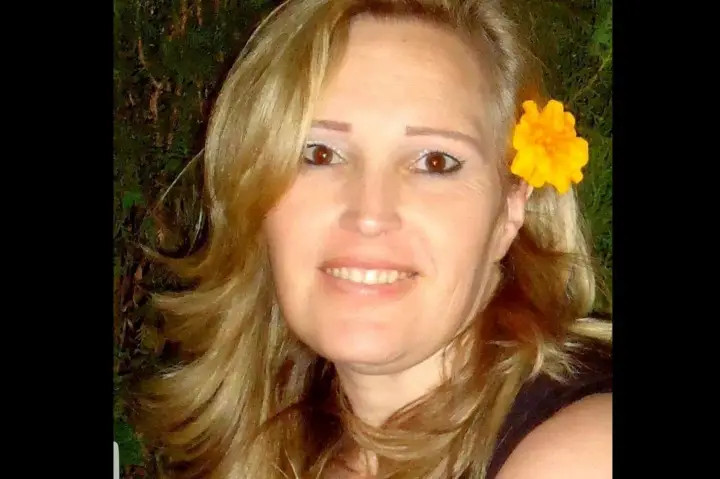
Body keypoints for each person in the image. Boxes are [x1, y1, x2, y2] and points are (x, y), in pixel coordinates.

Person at [131, 0, 612, 478]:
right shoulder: (285, 439)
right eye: (320, 154)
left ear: (509, 208)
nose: (368, 214)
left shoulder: (580, 456)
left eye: (434, 162)